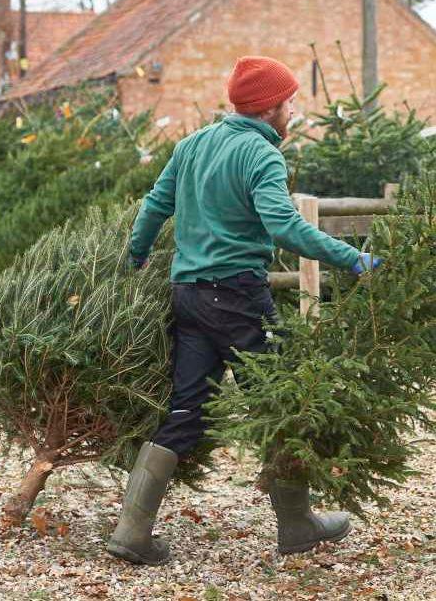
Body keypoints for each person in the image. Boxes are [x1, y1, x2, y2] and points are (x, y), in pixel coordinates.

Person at [106, 56, 379, 566]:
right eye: (291, 101)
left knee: (185, 411)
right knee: (279, 403)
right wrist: (351, 258)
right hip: (237, 299)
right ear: (271, 107)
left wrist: (136, 256)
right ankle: (297, 523)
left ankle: (132, 531)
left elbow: (154, 206)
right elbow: (286, 228)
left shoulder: (191, 145)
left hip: (188, 295)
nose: (294, 110)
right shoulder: (260, 155)